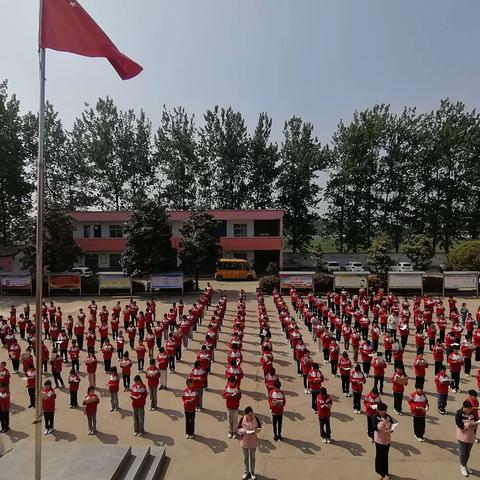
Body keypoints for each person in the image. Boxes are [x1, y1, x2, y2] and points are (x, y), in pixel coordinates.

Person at [238, 406, 262, 480]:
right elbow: (238, 429)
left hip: (253, 441)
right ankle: (246, 472)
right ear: (246, 414)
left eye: (252, 414)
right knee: (246, 458)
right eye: (249, 414)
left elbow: (259, 427)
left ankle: (252, 472)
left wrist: (256, 430)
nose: (251, 415)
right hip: (245, 441)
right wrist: (245, 431)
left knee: (252, 458)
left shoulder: (256, 418)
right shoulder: (242, 419)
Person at [373, 402, 395, 480]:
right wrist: (380, 425)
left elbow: (392, 424)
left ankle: (385, 472)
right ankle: (379, 472)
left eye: (385, 410)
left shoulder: (388, 417)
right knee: (379, 456)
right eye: (383, 410)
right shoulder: (376, 417)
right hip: (379, 440)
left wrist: (392, 429)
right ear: (379, 410)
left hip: (387, 440)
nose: (384, 412)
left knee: (385, 456)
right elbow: (374, 427)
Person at [456, 400, 477, 477]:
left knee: (467, 453)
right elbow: (460, 425)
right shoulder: (459, 414)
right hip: (462, 436)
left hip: (470, 436)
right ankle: (462, 466)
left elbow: (474, 423)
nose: (470, 411)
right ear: (464, 407)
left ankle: (465, 464)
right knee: (463, 452)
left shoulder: (472, 413)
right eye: (468, 409)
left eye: (470, 409)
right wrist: (468, 424)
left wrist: (475, 425)